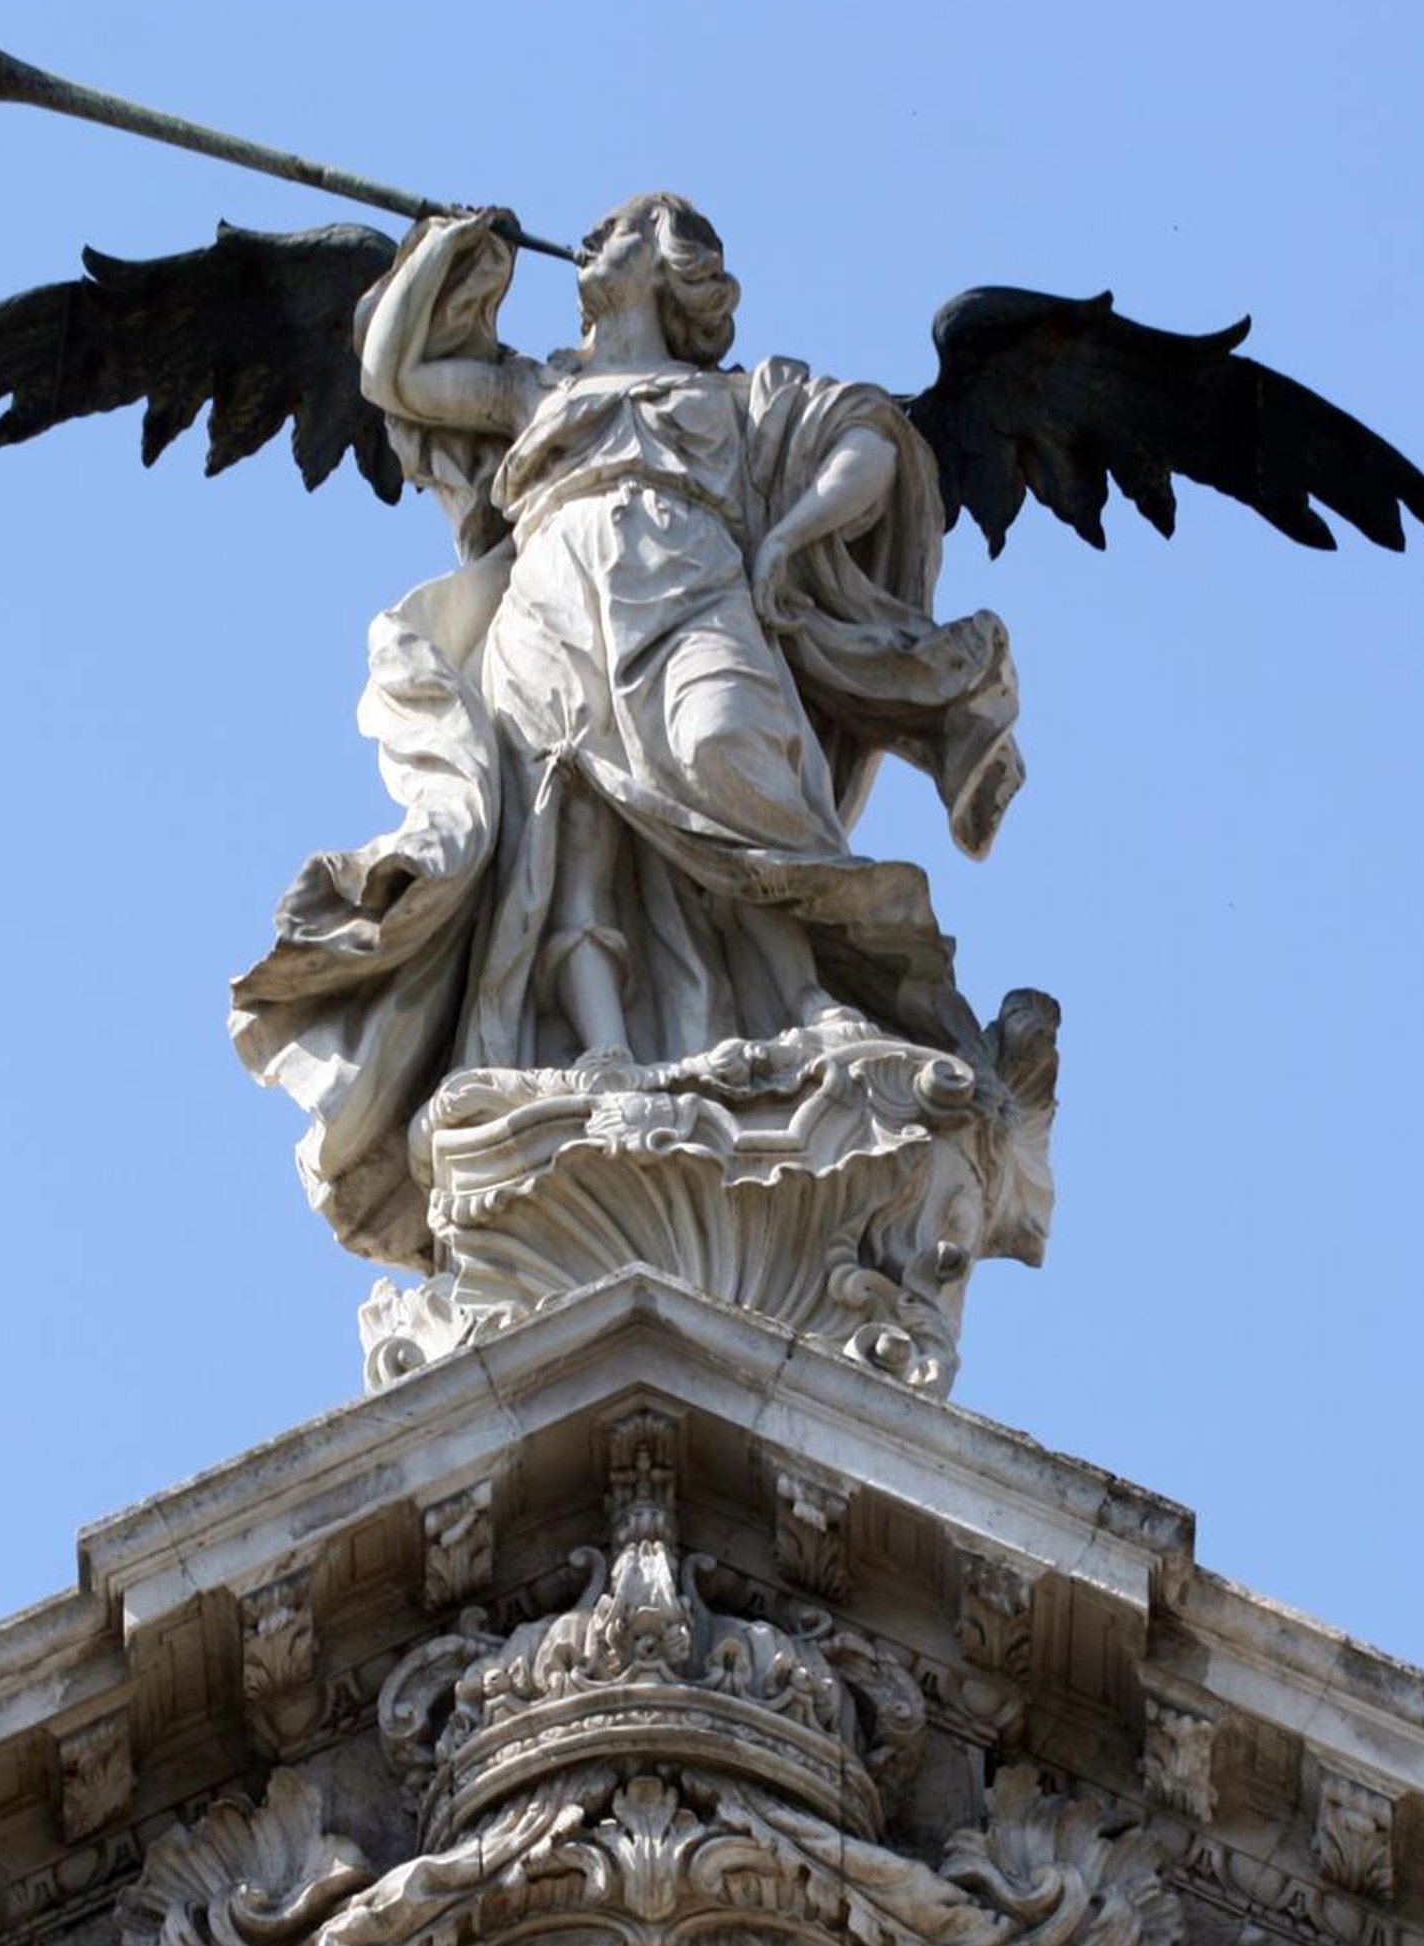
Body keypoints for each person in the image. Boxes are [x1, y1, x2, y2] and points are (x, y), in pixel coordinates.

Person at [231, 196, 1023, 1266]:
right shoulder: (538, 388)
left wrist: (786, 538)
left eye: (620, 231)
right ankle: (601, 1050)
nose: (593, 241)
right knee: (571, 826)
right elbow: (396, 375)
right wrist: (441, 252)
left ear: (675, 266)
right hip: (554, 605)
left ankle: (804, 999)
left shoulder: (740, 398)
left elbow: (869, 446)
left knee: (731, 758)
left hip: (693, 588)